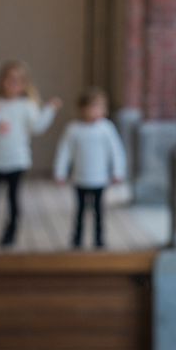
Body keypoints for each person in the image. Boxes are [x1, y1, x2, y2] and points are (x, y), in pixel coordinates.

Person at [0, 60, 62, 247]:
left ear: (25, 84)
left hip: (17, 160)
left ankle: (10, 234)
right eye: (9, 80)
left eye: (18, 80)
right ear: (1, 81)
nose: (13, 84)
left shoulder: (27, 105)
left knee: (13, 199)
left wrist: (50, 109)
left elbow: (37, 126)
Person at [53, 87, 127, 249]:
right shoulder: (73, 129)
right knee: (79, 211)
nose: (94, 111)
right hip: (80, 177)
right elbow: (64, 152)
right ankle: (77, 238)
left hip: (99, 178)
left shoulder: (106, 128)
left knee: (98, 211)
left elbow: (116, 151)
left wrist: (118, 171)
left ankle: (99, 239)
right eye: (91, 107)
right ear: (82, 109)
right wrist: (60, 171)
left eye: (98, 107)